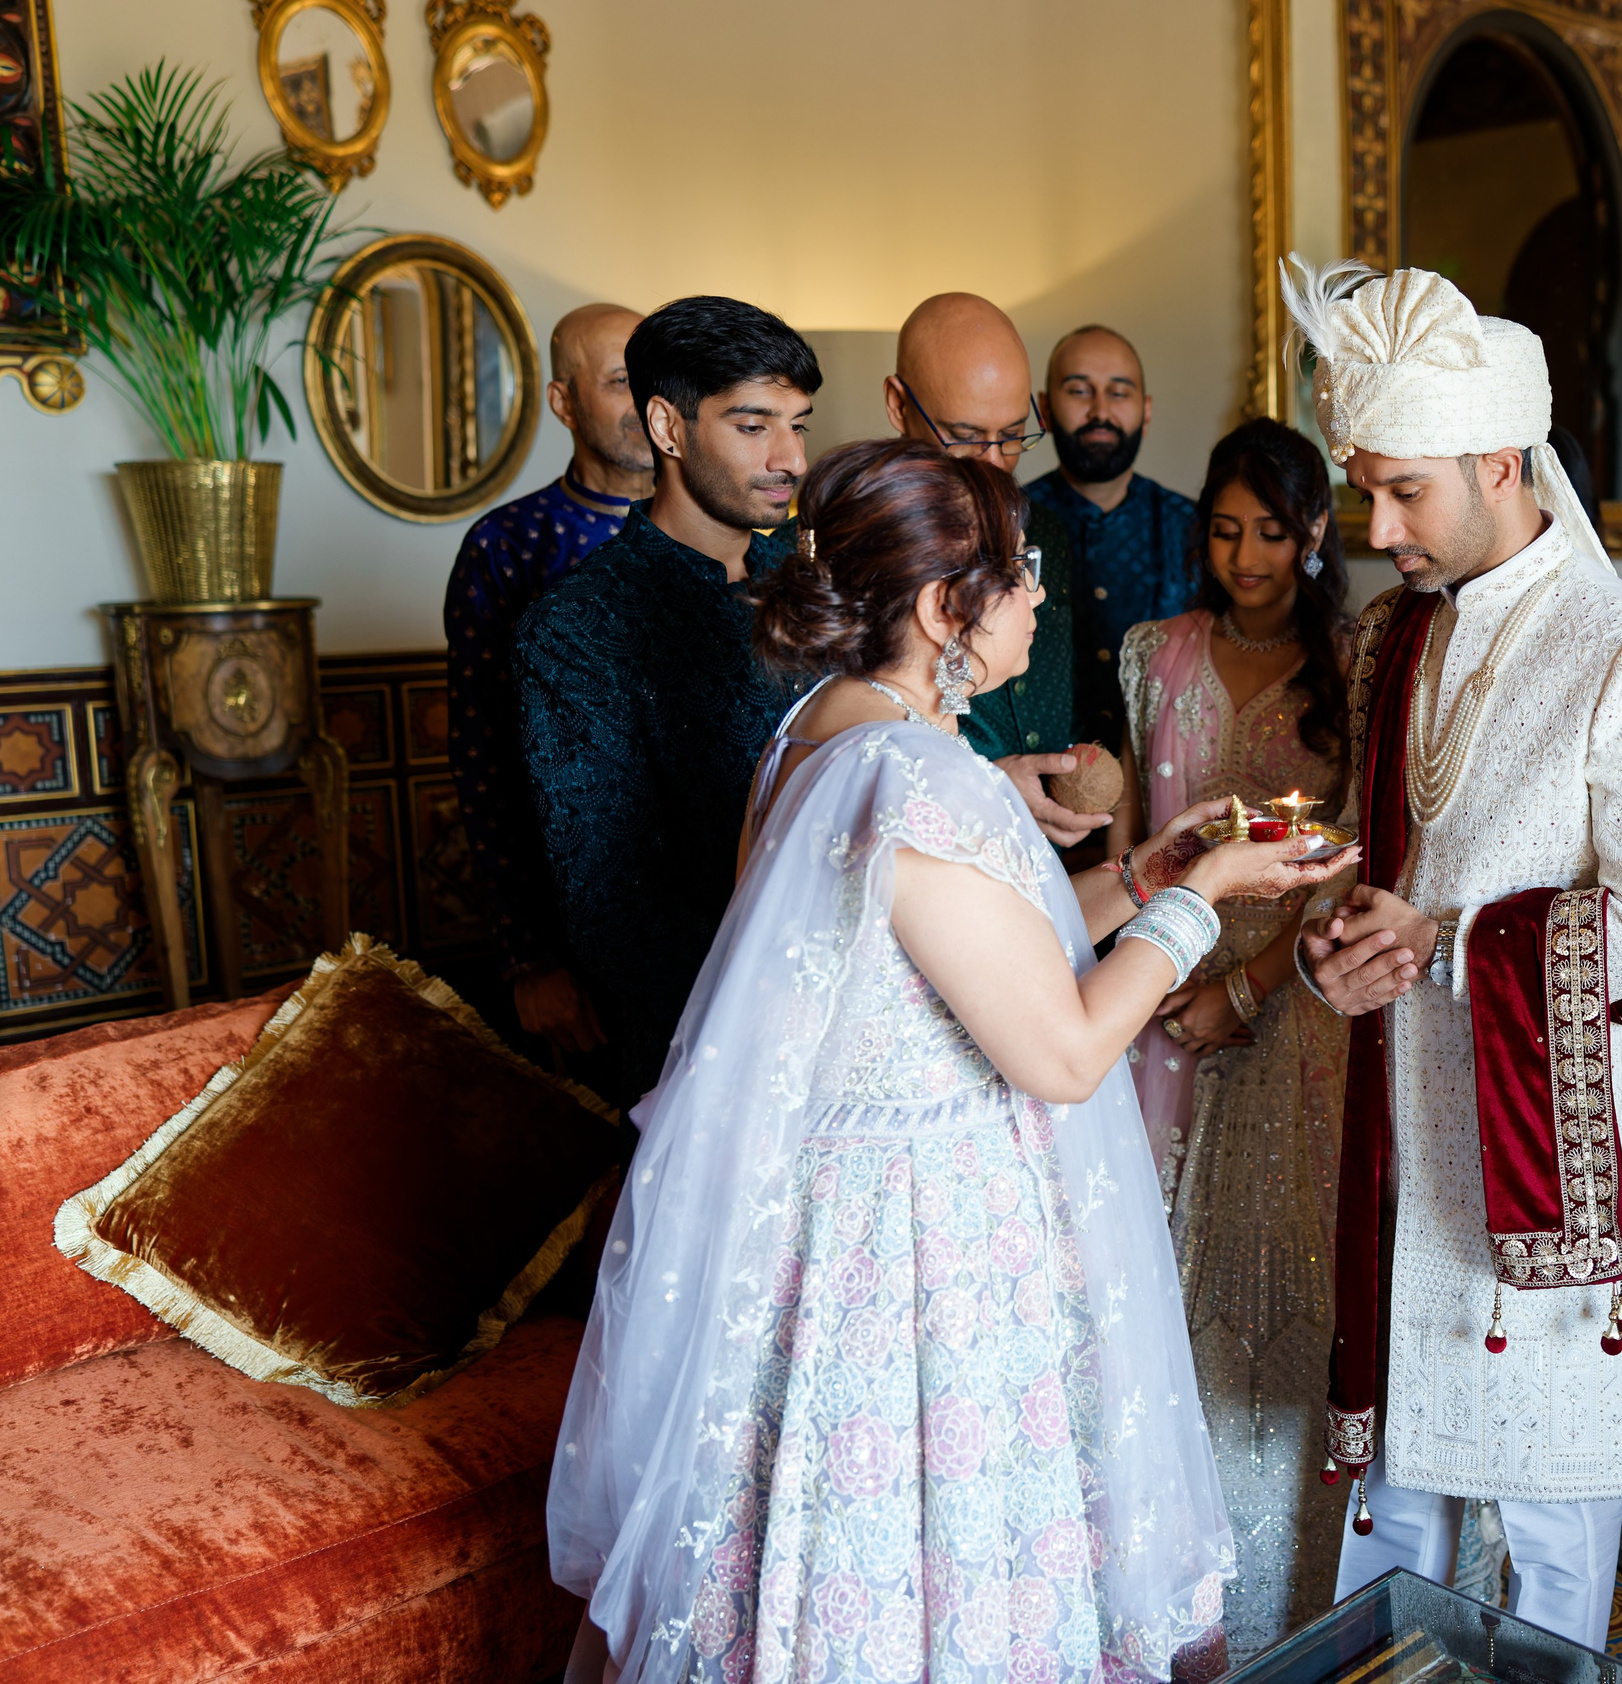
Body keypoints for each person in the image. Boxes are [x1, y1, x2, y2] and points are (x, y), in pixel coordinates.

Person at [547, 436, 1346, 1684]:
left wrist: (1146, 876)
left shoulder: (820, 733)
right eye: (1020, 574)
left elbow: (972, 947)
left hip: (829, 1212)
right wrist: (1210, 903)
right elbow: (1066, 1047)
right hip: (919, 1247)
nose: (1037, 596)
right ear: (941, 608)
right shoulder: (918, 777)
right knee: (937, 1561)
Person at [1282, 258, 1622, 1651]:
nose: (1378, 524)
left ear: (1498, 461)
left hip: (1542, 1145)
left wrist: (1447, 943)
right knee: (1395, 1503)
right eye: (1366, 488)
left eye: (1404, 490)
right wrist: (1327, 943)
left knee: (1546, 1524)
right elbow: (1372, 857)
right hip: (1397, 1128)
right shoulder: (1397, 636)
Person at [1104, 416, 1353, 1657]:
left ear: (1314, 533)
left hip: (1296, 1015)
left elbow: (1351, 874)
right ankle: (1169, 1612)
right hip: (1151, 1010)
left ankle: (1285, 1607)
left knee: (1277, 1296)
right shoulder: (1154, 652)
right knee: (1152, 1290)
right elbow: (1133, 845)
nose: (1245, 554)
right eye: (1223, 526)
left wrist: (1245, 991)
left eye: (1271, 530)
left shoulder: (1353, 663)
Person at [516, 295, 817, 1109]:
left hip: (861, 1020)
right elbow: (613, 908)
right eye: (754, 426)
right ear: (669, 427)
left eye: (800, 425)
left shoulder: (813, 588)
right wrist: (792, 996)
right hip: (711, 1052)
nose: (788, 456)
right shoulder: (579, 626)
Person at [444, 302, 647, 1062]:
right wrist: (527, 957)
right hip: (575, 927)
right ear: (563, 401)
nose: (646, 404)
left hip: (716, 915)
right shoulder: (507, 545)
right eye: (623, 382)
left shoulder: (728, 533)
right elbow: (482, 758)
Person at [884, 292, 1105, 847]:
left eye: (1011, 437)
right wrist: (987, 784)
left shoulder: (1046, 532)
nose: (991, 463)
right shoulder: (841, 551)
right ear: (897, 404)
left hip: (1057, 855)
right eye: (963, 436)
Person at [1030, 325, 1201, 750]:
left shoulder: (1194, 527)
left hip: (1168, 782)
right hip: (1033, 785)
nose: (1100, 412)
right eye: (1079, 391)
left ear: (1146, 411)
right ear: (1045, 409)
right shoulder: (1008, 521)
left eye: (1119, 393)